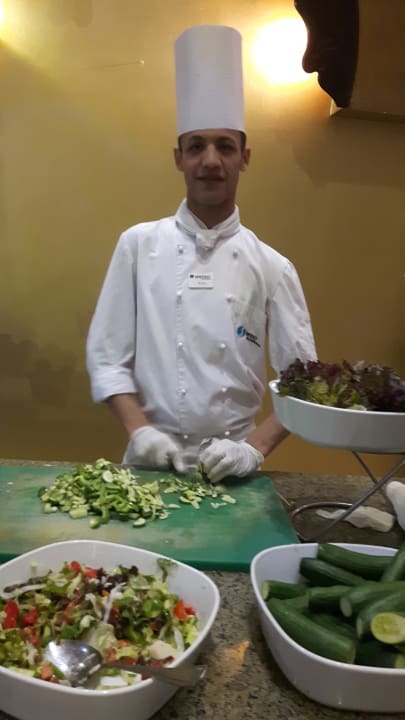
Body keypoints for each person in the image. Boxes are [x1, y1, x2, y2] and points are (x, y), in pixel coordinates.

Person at [86, 25, 317, 483]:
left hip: (233, 470)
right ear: (179, 158)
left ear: (244, 158)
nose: (211, 161)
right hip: (148, 465)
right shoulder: (138, 245)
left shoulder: (273, 267)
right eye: (196, 147)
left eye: (225, 146)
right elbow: (107, 358)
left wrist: (252, 450)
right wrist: (140, 432)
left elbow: (303, 382)